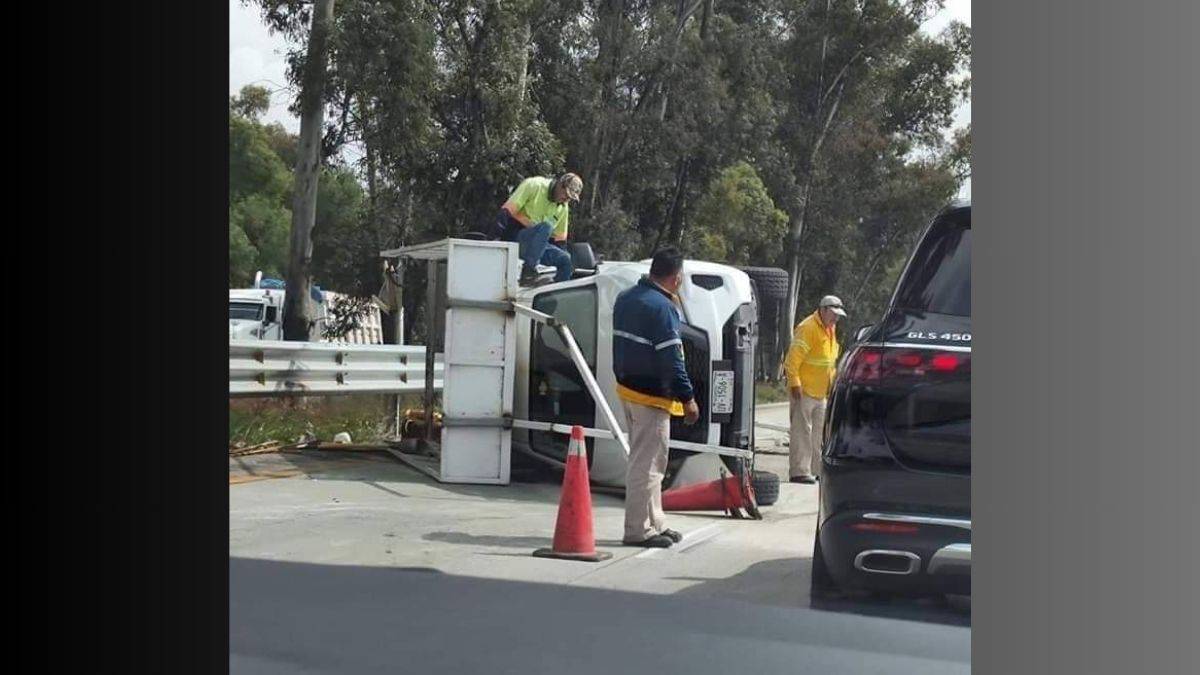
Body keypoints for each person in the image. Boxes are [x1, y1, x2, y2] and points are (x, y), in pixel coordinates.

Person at [611, 247, 700, 548]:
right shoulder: (661, 308)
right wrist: (687, 397)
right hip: (651, 397)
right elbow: (672, 359)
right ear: (676, 278)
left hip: (628, 391)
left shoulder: (627, 298)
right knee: (647, 465)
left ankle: (655, 522)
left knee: (650, 463)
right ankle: (638, 530)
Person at [783, 295, 846, 484]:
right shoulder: (807, 328)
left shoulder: (830, 329)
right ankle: (799, 471)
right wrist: (795, 384)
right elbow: (792, 361)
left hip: (821, 392)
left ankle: (817, 470)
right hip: (804, 390)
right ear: (823, 309)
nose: (836, 319)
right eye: (833, 314)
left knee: (819, 434)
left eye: (838, 316)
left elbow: (829, 360)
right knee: (802, 432)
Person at [490, 173, 583, 285]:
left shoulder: (563, 206)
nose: (566, 200)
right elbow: (506, 213)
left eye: (570, 199)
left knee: (566, 259)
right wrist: (493, 240)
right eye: (566, 195)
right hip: (517, 239)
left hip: (538, 247)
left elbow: (560, 241)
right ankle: (528, 273)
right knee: (546, 227)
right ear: (559, 184)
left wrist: (564, 262)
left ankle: (556, 293)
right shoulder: (534, 185)